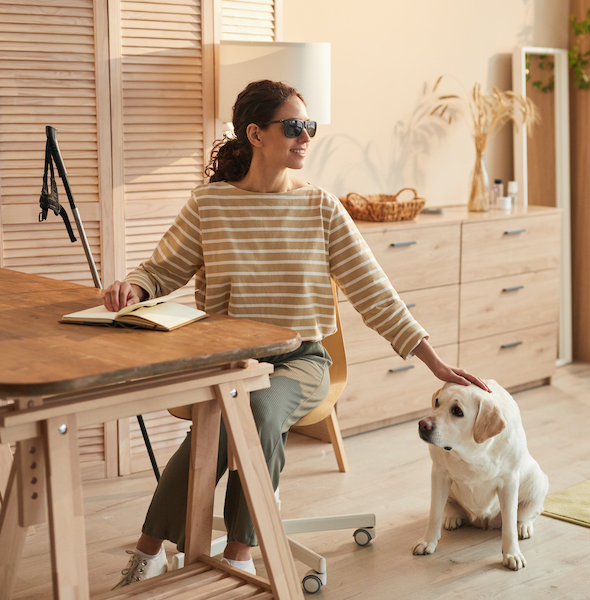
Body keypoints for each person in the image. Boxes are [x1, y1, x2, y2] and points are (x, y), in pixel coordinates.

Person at [105, 79, 489, 587]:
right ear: (255, 134)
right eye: (293, 126)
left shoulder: (321, 208)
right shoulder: (209, 206)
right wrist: (132, 287)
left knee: (255, 409)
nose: (305, 135)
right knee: (215, 425)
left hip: (301, 361)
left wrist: (435, 364)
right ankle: (150, 553)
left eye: (309, 126)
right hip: (228, 362)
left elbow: (376, 293)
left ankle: (239, 558)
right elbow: (159, 271)